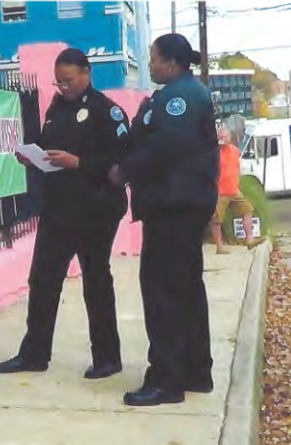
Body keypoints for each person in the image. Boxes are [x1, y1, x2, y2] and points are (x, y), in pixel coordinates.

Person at [0, 48, 131, 380]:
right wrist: (32, 154)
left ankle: (107, 357)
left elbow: (122, 162)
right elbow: (46, 141)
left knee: (95, 280)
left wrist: (79, 162)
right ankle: (34, 353)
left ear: (87, 73)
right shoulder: (56, 107)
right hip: (59, 207)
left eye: (69, 81)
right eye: (58, 82)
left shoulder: (107, 112)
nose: (63, 87)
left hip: (96, 207)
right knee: (42, 279)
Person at [108, 33, 219, 407]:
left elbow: (165, 146)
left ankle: (167, 380)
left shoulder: (181, 96)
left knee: (165, 294)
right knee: (185, 290)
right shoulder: (176, 93)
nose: (150, 65)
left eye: (153, 58)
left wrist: (124, 170)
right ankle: (195, 371)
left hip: (174, 207)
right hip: (176, 206)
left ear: (171, 62)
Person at [209, 126, 264, 253]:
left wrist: (237, 182)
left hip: (233, 189)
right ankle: (219, 246)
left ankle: (249, 239)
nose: (221, 140)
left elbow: (236, 167)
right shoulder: (213, 152)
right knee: (216, 219)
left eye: (224, 137)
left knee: (247, 209)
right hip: (219, 191)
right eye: (219, 137)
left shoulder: (234, 150)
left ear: (230, 138)